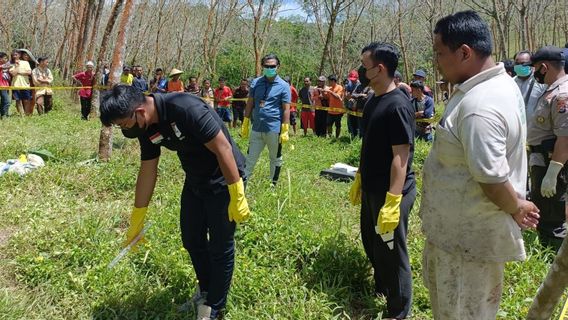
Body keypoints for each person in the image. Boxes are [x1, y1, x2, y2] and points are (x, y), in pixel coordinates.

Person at [420, 11, 540, 320]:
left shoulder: (480, 106)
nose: (436, 60)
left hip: (466, 244)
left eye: (439, 53)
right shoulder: (498, 86)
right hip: (462, 237)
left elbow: (490, 177)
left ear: (464, 53)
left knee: (460, 313)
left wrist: (516, 206)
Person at [99, 85, 250, 320]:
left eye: (123, 124)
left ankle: (214, 308)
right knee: (191, 239)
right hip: (195, 180)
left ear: (139, 111)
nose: (123, 130)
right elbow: (148, 169)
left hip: (225, 178)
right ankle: (207, 290)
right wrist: (137, 218)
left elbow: (223, 149)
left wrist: (236, 193)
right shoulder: (146, 126)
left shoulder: (185, 108)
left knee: (220, 245)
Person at [349, 41, 417, 320]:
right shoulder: (374, 100)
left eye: (364, 66)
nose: (360, 71)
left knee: (392, 250)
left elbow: (401, 157)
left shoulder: (398, 105)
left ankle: (398, 310)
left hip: (393, 192)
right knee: (372, 241)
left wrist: (393, 199)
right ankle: (382, 286)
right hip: (373, 187)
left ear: (380, 69)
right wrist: (361, 177)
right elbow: (371, 145)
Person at [525, 46, 568, 252]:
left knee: (553, 219)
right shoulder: (551, 91)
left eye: (535, 68)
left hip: (550, 163)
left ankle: (556, 270)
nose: (534, 73)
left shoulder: (562, 94)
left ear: (544, 67)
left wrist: (553, 171)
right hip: (541, 160)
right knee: (545, 214)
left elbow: (565, 137)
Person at [241, 53, 291, 186]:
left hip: (274, 130)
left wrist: (285, 129)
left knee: (275, 158)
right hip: (256, 128)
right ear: (262, 66)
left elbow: (286, 109)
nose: (270, 68)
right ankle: (243, 186)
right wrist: (245, 122)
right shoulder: (256, 83)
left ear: (278, 67)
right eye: (267, 66)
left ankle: (272, 185)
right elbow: (250, 103)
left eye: (273, 66)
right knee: (250, 159)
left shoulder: (284, 86)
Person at [513, 51, 548, 125]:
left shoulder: (540, 82)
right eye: (517, 64)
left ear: (531, 64)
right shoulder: (511, 82)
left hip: (536, 128)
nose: (520, 66)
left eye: (523, 63)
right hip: (517, 126)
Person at [9, 50, 32, 116]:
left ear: (19, 55)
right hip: (15, 85)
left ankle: (27, 114)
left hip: (25, 84)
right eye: (13, 55)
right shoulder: (11, 64)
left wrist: (19, 72)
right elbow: (13, 74)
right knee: (18, 100)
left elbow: (29, 72)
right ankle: (21, 115)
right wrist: (16, 66)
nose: (15, 56)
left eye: (16, 54)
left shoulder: (25, 62)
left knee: (27, 100)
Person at [345, 70, 361, 138]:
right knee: (350, 122)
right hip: (350, 106)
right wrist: (348, 98)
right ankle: (352, 135)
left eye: (354, 79)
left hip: (358, 107)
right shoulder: (348, 84)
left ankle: (358, 136)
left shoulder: (360, 84)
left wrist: (353, 97)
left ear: (357, 78)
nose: (353, 80)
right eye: (351, 79)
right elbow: (346, 94)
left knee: (357, 122)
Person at [0, 52, 11, 119]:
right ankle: (4, 115)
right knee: (7, 101)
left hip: (5, 86)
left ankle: (4, 114)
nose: (6, 59)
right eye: (5, 58)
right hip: (1, 86)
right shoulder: (2, 66)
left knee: (4, 101)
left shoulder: (5, 66)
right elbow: (3, 66)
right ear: (0, 59)